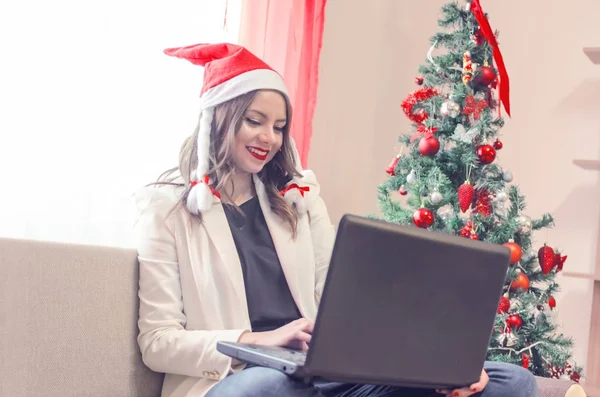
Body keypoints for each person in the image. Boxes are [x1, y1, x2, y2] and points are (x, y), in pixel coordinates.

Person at [134, 43, 538, 397]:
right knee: (270, 386)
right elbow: (158, 341)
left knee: (512, 383)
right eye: (254, 121)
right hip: (243, 378)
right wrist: (259, 340)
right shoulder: (166, 209)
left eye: (278, 127)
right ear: (218, 118)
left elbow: (345, 301)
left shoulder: (299, 200)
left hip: (324, 376)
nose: (269, 139)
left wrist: (434, 364)